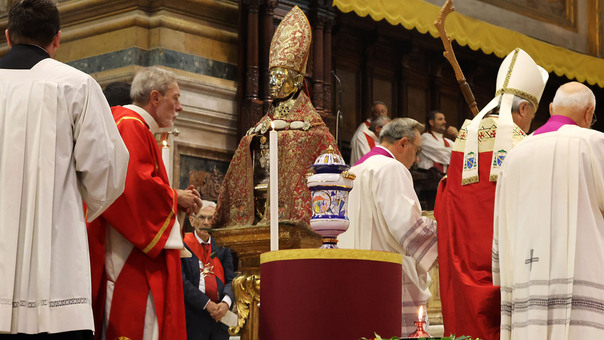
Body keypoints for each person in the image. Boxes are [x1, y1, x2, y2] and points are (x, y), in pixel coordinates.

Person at [0, 0, 129, 338]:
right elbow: (106, 169)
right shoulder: (77, 85)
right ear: (57, 39)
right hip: (53, 270)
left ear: (8, 36)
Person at [434, 48, 548, 340]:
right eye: (532, 114)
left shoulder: (465, 135)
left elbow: (448, 197)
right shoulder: (525, 144)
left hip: (464, 264)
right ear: (523, 109)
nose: (531, 122)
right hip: (507, 266)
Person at [493, 81, 604, 339]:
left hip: (527, 282)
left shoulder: (515, 154)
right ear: (588, 114)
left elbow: (500, 222)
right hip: (583, 275)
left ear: (551, 109)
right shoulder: (594, 143)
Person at [87, 66, 203, 340]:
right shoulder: (130, 124)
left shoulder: (129, 123)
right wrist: (175, 197)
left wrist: (173, 196)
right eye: (175, 98)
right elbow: (133, 188)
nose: (180, 107)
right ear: (155, 97)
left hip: (128, 245)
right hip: (130, 251)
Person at [215, 6, 338, 229]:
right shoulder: (262, 123)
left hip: (296, 228)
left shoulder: (316, 131)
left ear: (298, 81)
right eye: (271, 77)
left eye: (280, 76)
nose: (273, 83)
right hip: (258, 214)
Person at [339, 118, 438, 337]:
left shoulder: (354, 170)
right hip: (389, 276)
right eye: (417, 149)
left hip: (357, 275)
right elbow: (406, 225)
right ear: (403, 143)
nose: (418, 157)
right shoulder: (392, 168)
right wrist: (445, 234)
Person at [182, 201, 236, 340]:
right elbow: (182, 282)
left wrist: (225, 303)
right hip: (194, 317)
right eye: (202, 217)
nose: (206, 222)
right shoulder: (183, 245)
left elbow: (231, 280)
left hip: (220, 317)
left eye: (210, 218)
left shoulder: (223, 246)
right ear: (192, 221)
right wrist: (206, 304)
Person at [415, 110, 454, 209]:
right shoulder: (425, 138)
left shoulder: (449, 141)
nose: (444, 122)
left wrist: (458, 136)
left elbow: (458, 155)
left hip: (444, 179)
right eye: (440, 119)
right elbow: (444, 156)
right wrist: (451, 152)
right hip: (428, 182)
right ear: (431, 122)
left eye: (444, 119)